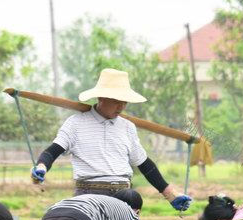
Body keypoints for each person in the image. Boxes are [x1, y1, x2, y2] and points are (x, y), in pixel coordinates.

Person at [30, 68, 192, 212]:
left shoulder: (127, 127)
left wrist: (170, 194)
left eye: (124, 102)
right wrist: (42, 167)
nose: (121, 107)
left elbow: (145, 165)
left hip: (124, 195)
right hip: (88, 194)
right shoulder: (76, 123)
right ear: (101, 97)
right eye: (116, 101)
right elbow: (52, 152)